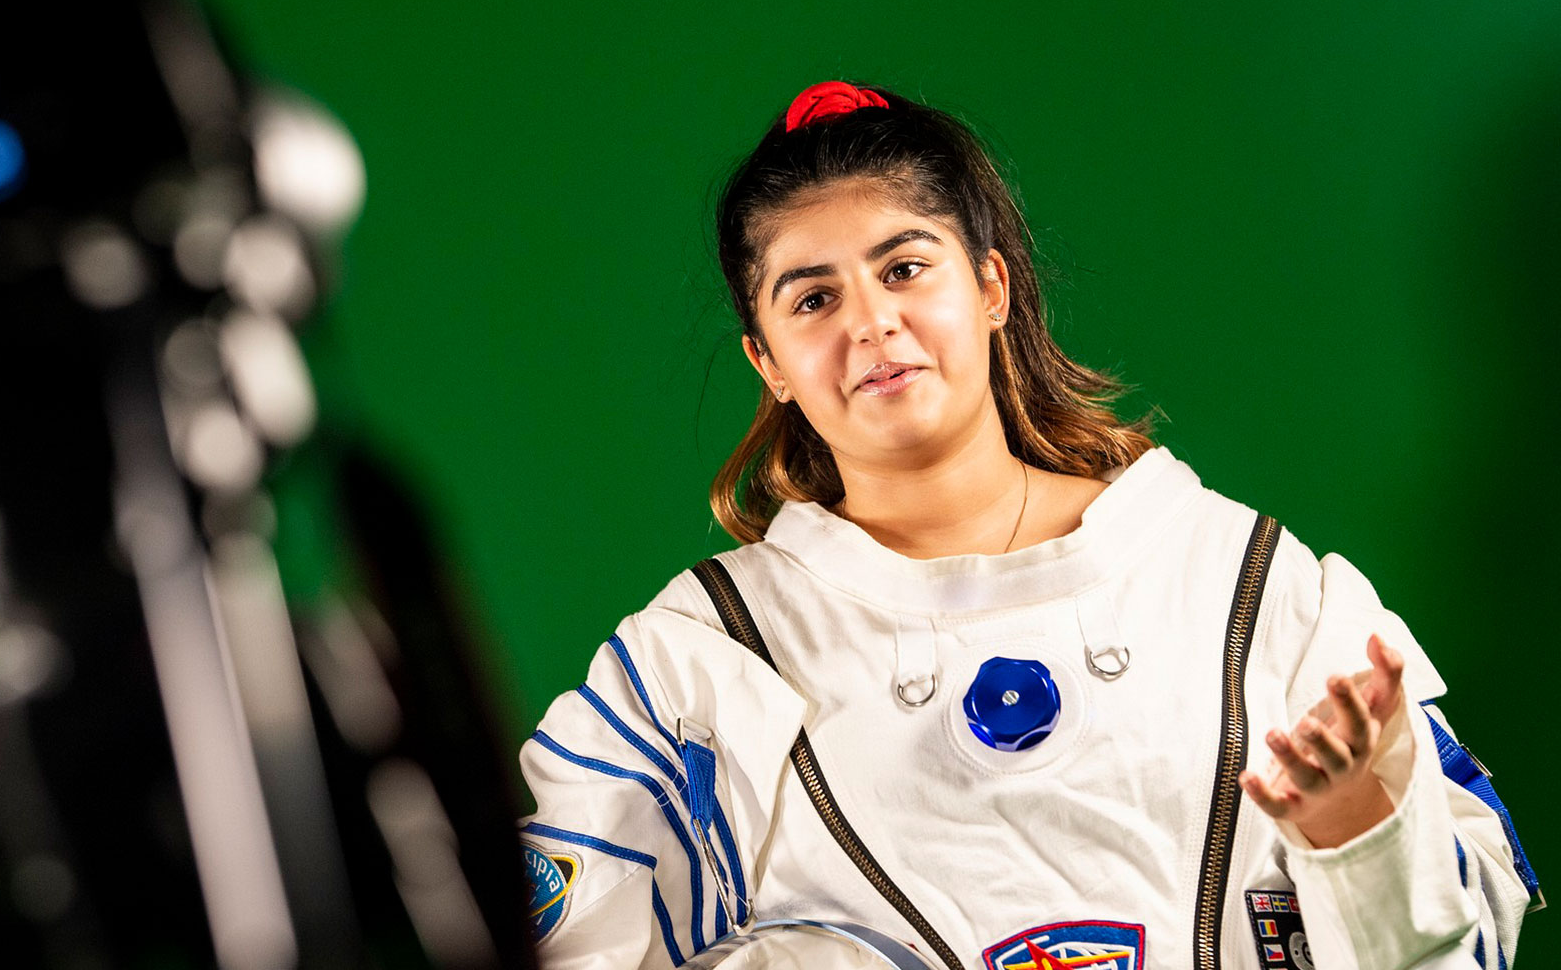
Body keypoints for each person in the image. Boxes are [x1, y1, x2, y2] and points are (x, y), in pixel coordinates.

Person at [515, 81, 1539, 970]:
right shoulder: (701, 663)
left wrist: (1359, 832)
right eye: (813, 299)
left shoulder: (1244, 587)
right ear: (768, 362)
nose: (871, 323)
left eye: (904, 268)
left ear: (992, 287)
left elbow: (1460, 949)